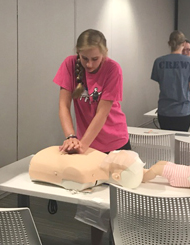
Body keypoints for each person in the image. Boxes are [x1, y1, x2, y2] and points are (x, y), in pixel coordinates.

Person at [53, 29, 130, 245]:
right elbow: (63, 105)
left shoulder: (113, 69)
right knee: (93, 204)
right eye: (84, 58)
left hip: (116, 143)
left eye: (95, 59)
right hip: (89, 146)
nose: (89, 64)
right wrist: (70, 137)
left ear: (104, 53)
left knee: (118, 204)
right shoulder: (69, 64)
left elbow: (102, 114)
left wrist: (81, 146)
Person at [29, 146, 144, 191]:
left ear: (116, 176)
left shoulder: (85, 173)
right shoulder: (99, 160)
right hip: (51, 156)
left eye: (121, 161)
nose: (119, 154)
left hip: (46, 160)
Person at [151, 31, 190, 132]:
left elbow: (161, 83)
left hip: (165, 110)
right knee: (181, 141)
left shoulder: (159, 62)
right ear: (184, 44)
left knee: (168, 141)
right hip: (183, 111)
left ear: (169, 43)